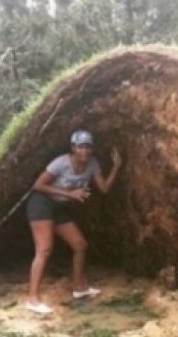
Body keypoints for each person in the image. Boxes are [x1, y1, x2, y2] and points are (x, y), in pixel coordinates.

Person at [24, 130, 122, 314]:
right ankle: (33, 299)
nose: (84, 151)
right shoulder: (61, 163)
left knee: (80, 245)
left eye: (87, 147)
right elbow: (38, 185)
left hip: (60, 208)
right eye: (80, 147)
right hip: (41, 203)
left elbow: (104, 188)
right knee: (44, 249)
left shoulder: (92, 164)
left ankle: (79, 288)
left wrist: (116, 167)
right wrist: (70, 194)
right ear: (73, 148)